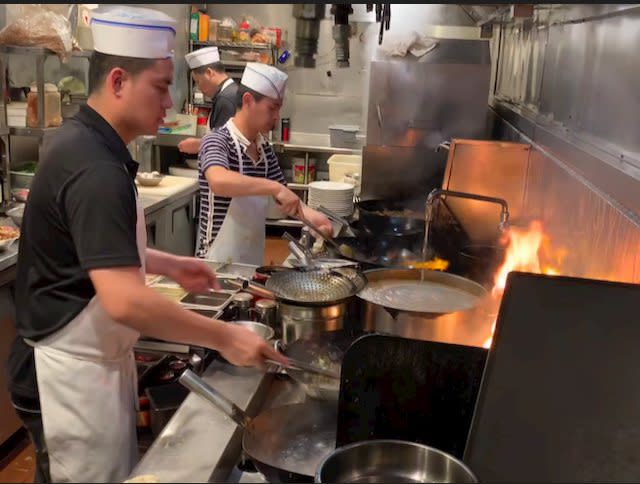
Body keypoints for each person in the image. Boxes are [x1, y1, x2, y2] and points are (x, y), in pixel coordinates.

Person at [5, 7, 286, 483]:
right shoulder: (94, 167)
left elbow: (92, 249)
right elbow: (126, 301)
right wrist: (226, 337)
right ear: (118, 81)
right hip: (65, 374)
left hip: (90, 363)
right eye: (160, 85)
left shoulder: (93, 146)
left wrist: (169, 263)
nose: (171, 98)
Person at [195, 62, 333, 263]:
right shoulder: (217, 140)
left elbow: (288, 201)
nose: (276, 117)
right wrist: (274, 187)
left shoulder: (264, 150)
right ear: (248, 100)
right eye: (272, 108)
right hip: (214, 264)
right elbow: (219, 181)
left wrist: (315, 219)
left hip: (249, 263)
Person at [178, 46, 238, 155]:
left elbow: (224, 146)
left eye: (198, 81)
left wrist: (198, 145)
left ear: (209, 73)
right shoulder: (228, 93)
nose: (199, 88)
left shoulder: (226, 100)